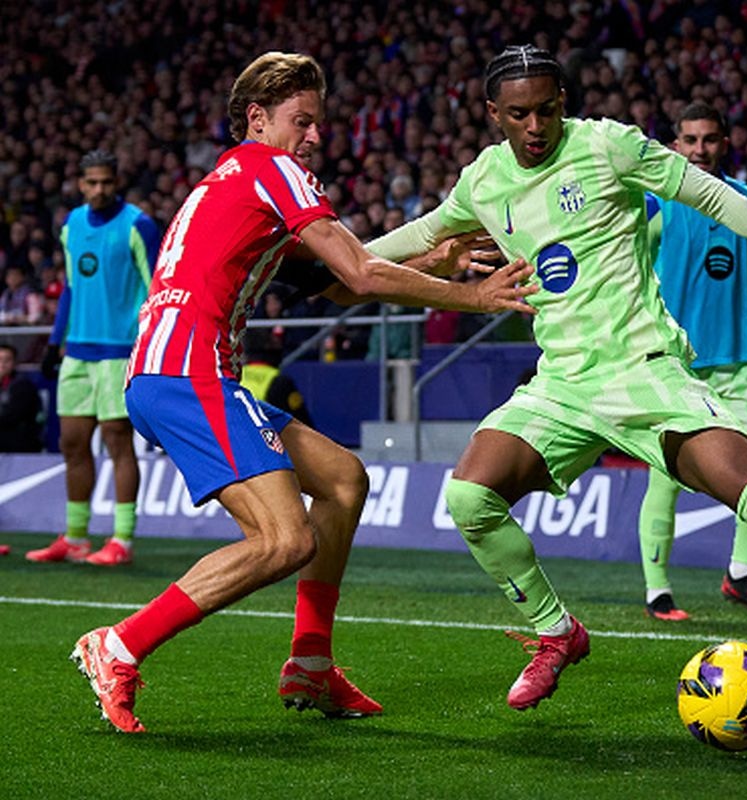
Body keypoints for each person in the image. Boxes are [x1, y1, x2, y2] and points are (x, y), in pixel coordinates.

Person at [369, 45, 747, 712]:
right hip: (562, 384)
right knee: (469, 498)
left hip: (645, 372)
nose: (536, 127)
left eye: (549, 110)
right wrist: (318, 253)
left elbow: (705, 190)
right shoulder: (485, 181)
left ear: (564, 103)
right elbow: (418, 234)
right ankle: (557, 632)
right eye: (520, 115)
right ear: (493, 114)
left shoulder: (608, 147)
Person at [69, 51, 538, 734]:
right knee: (285, 540)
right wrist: (470, 296)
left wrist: (428, 261)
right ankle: (119, 645)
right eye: (303, 121)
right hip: (188, 375)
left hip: (177, 374)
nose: (315, 136)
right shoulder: (273, 169)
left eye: (319, 123)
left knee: (343, 480)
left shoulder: (233, 181)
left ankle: (310, 663)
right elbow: (361, 271)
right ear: (257, 118)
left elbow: (339, 284)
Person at [634, 102, 747, 622]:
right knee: (668, 478)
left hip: (734, 364)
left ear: (725, 143)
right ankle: (657, 590)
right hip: (676, 366)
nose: (699, 151)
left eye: (709, 140)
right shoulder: (658, 205)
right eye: (690, 140)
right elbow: (628, 265)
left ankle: (739, 572)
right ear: (675, 146)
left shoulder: (744, 199)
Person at [26, 149, 159, 567]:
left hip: (120, 352)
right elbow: (68, 289)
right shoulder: (72, 224)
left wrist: (148, 345)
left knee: (119, 443)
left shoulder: (139, 224)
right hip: (78, 353)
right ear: (80, 184)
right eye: (92, 182)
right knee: (72, 443)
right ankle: (77, 537)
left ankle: (122, 539)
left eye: (106, 181)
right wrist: (53, 342)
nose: (99, 189)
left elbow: (158, 289)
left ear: (116, 181)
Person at [0, 342, 42, 452]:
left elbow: (10, 417)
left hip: (17, 442)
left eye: (7, 360)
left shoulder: (23, 386)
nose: (2, 364)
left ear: (14, 363)